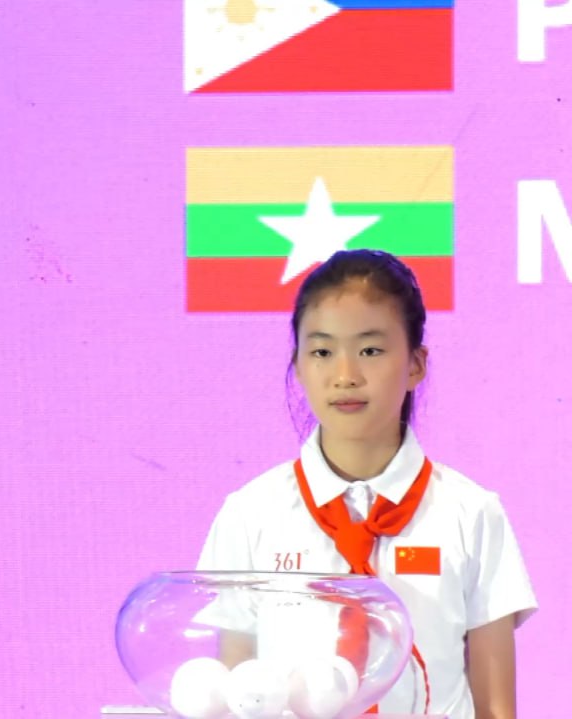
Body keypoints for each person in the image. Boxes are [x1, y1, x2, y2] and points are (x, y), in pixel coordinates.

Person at [197, 250, 536, 719]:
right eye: (322, 352)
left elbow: (496, 708)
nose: (345, 376)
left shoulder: (472, 512)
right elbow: (237, 695)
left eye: (370, 350)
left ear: (416, 364)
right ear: (298, 366)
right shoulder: (250, 513)